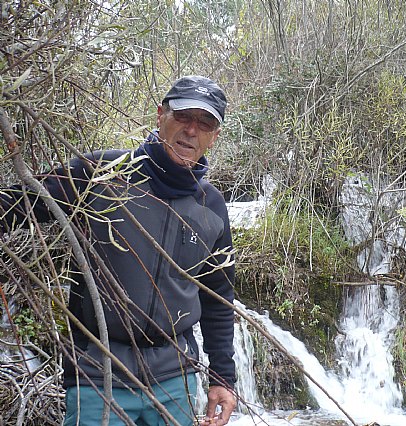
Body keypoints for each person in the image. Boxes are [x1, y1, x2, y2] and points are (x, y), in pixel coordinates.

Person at [0, 76, 237, 425]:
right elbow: (19, 204)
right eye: (183, 117)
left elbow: (217, 297)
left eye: (205, 124)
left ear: (214, 137)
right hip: (98, 374)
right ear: (161, 116)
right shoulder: (100, 173)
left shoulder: (212, 207)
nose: (191, 131)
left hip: (176, 380)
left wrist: (222, 378)